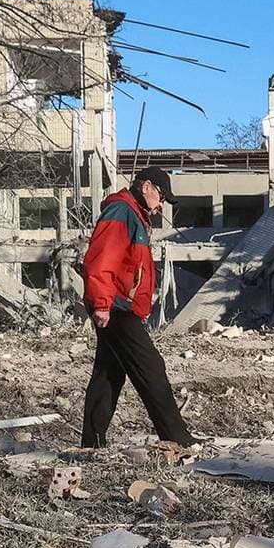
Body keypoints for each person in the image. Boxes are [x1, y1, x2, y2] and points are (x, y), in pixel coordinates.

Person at [78, 166, 197, 450]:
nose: (162, 205)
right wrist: (103, 304)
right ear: (146, 187)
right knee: (151, 367)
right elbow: (102, 259)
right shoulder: (122, 212)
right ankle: (178, 440)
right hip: (117, 306)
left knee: (108, 374)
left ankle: (92, 443)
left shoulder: (134, 214)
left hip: (119, 304)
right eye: (161, 197)